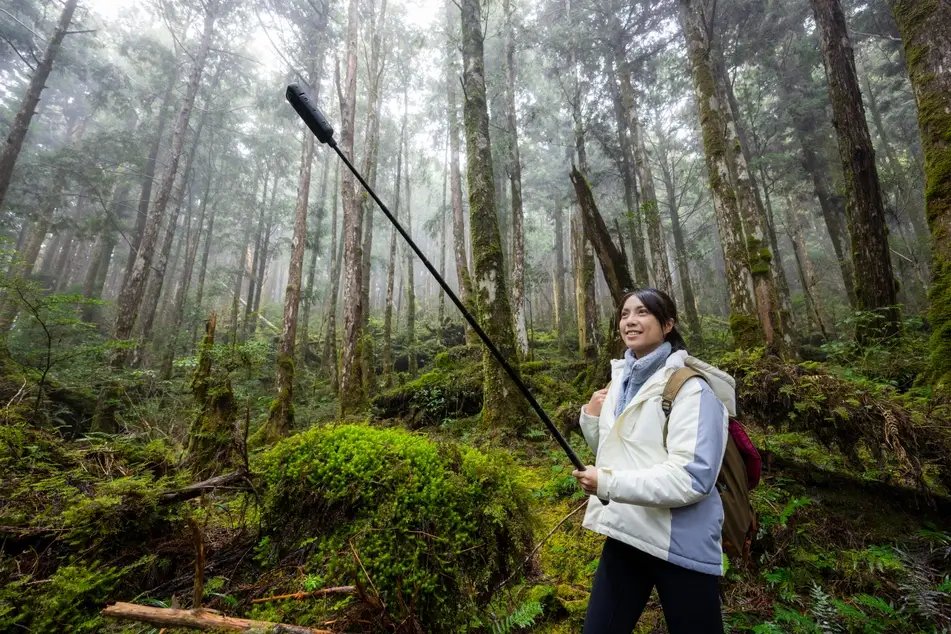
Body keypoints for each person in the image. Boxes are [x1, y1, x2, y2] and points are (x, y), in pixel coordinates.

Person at [571, 288, 732, 634]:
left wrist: (607, 483)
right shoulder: (620, 381)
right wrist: (590, 417)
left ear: (668, 324)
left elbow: (692, 478)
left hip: (681, 543)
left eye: (642, 312)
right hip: (628, 532)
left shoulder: (693, 390)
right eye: (625, 313)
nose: (630, 321)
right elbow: (620, 452)